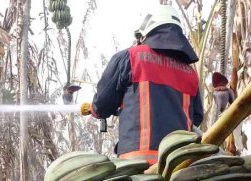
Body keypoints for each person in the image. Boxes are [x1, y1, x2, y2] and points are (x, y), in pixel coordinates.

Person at [81, 5, 203, 164]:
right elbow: (197, 117)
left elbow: (103, 104)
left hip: (137, 164)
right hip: (178, 164)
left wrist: (94, 109)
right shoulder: (190, 73)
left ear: (146, 33)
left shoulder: (131, 57)